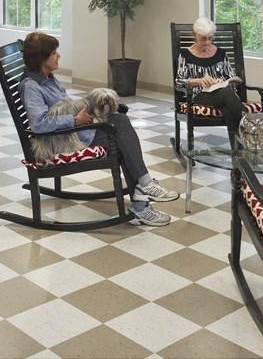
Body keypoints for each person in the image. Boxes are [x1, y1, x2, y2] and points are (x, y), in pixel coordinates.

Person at [19, 31, 179, 227]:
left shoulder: (48, 78)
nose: (58, 55)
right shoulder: (32, 86)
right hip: (63, 140)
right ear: (42, 58)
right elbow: (39, 124)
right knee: (121, 139)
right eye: (54, 53)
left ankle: (143, 193)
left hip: (74, 131)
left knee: (119, 120)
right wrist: (75, 121)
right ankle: (142, 199)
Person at [175, 17, 248, 147]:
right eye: (203, 38)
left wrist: (223, 81)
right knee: (226, 93)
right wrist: (199, 80)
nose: (207, 42)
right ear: (194, 36)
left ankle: (238, 156)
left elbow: (232, 77)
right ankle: (248, 125)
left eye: (210, 38)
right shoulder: (185, 56)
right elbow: (179, 82)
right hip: (199, 95)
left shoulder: (221, 53)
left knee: (227, 109)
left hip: (222, 94)